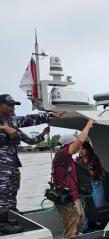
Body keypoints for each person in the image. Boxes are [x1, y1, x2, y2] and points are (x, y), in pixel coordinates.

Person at [0, 93, 65, 230]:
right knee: (2, 191)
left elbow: (28, 122)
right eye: (9, 105)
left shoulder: (12, 120)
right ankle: (2, 223)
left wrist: (49, 118)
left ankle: (11, 215)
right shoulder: (4, 123)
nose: (13, 108)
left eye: (14, 105)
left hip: (11, 162)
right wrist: (3, 128)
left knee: (12, 188)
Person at [52, 118, 95, 238]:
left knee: (80, 220)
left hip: (74, 196)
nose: (79, 146)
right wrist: (88, 125)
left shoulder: (69, 159)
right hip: (67, 198)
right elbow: (81, 139)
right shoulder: (63, 155)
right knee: (71, 227)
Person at [76, 141, 104, 234]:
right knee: (84, 208)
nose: (80, 151)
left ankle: (101, 225)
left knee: (98, 206)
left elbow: (94, 173)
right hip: (84, 186)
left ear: (88, 149)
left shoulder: (94, 159)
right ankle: (84, 228)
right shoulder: (78, 160)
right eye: (79, 149)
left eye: (82, 149)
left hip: (95, 184)